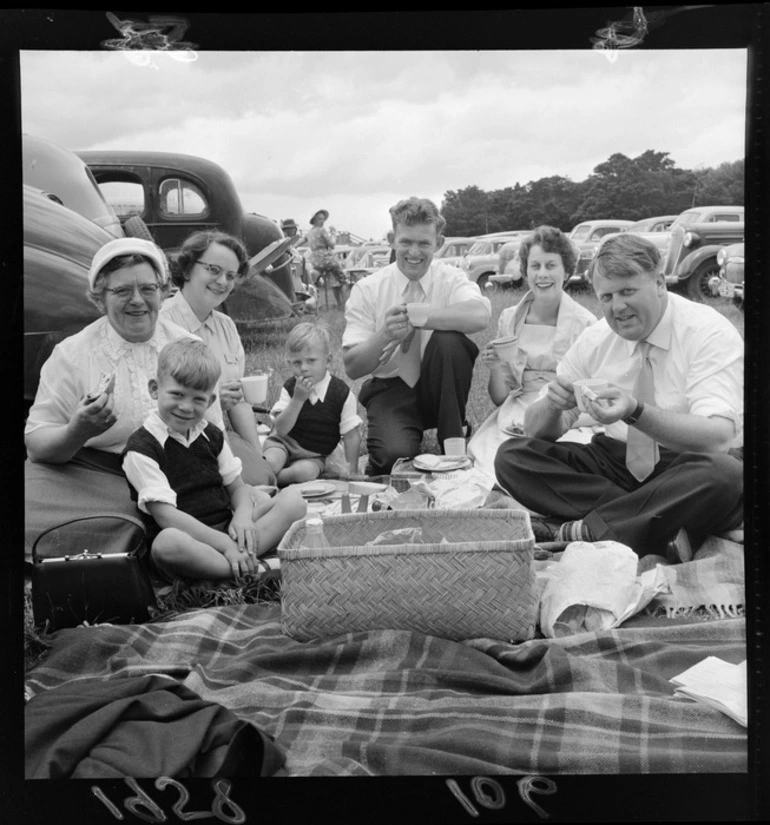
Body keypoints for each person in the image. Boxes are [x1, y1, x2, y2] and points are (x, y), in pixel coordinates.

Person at [493, 232, 744, 562]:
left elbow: (717, 438)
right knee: (512, 456)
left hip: (684, 462)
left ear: (659, 283)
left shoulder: (708, 331)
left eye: (627, 291)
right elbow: (536, 432)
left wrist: (636, 411)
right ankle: (655, 524)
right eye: (606, 296)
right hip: (615, 460)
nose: (617, 307)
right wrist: (554, 405)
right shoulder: (596, 337)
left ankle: (580, 530)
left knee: (726, 475)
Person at [24, 237, 223, 555]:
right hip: (99, 476)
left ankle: (145, 533)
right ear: (99, 299)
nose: (137, 301)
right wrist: (79, 430)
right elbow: (36, 446)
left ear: (162, 292)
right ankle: (176, 530)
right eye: (121, 291)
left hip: (181, 468)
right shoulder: (73, 354)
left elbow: (214, 434)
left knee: (252, 476)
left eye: (147, 289)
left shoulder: (186, 345)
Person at [122, 339, 306, 581]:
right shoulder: (142, 448)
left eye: (198, 399)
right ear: (155, 389)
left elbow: (237, 488)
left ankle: (236, 564)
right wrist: (225, 544)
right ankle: (253, 571)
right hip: (189, 540)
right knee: (166, 544)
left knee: (294, 501)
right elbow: (166, 516)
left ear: (210, 401)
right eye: (176, 394)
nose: (186, 407)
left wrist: (241, 516)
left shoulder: (211, 435)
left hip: (228, 528)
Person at [342, 196, 492, 476]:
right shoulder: (368, 289)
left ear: (439, 242)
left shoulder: (450, 277)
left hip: (440, 383)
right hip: (391, 388)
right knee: (392, 460)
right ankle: (403, 433)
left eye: (424, 243)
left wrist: (420, 318)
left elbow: (480, 316)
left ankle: (452, 444)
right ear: (391, 239)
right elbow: (352, 367)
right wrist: (384, 334)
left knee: (450, 341)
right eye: (406, 242)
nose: (414, 252)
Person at [466, 226, 597, 481]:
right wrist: (495, 368)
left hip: (565, 412)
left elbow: (587, 399)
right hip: (518, 411)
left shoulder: (586, 324)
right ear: (526, 272)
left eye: (551, 265)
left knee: (557, 462)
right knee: (492, 461)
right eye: (535, 266)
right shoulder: (510, 319)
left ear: (567, 271)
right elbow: (500, 398)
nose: (542, 274)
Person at [160, 229, 275, 487]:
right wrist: (210, 404)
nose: (222, 281)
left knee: (263, 479)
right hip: (174, 441)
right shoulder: (161, 325)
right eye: (213, 270)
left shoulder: (226, 326)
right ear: (188, 269)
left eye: (231, 275)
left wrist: (259, 457)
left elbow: (239, 402)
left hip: (218, 435)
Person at [264, 321, 362, 486]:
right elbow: (281, 429)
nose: (303, 368)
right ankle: (265, 474)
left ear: (328, 360)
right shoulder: (290, 388)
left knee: (305, 473)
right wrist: (298, 399)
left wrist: (352, 471)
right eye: (297, 362)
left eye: (311, 361)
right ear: (289, 363)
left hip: (314, 454)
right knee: (271, 462)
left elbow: (351, 436)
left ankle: (273, 480)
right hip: (283, 442)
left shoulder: (341, 394)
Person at [306, 208, 346, 310]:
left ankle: (337, 303)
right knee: (342, 279)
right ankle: (344, 303)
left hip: (315, 261)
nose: (322, 221)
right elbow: (332, 245)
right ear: (315, 220)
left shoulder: (310, 232)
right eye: (320, 219)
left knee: (334, 279)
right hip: (326, 259)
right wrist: (333, 233)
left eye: (323, 219)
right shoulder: (322, 230)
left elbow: (300, 241)